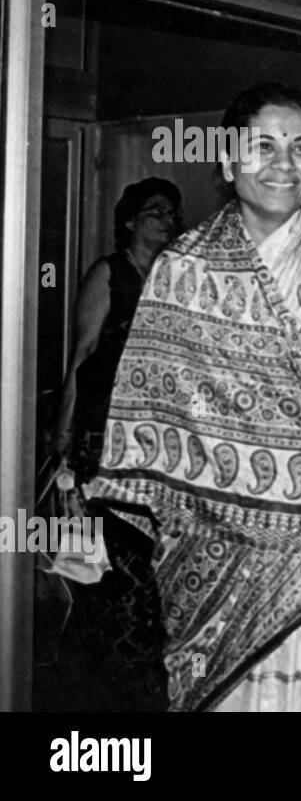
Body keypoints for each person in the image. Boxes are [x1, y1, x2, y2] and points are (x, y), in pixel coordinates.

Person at [87, 83, 301, 712]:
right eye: (263, 146)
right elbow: (150, 408)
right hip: (223, 552)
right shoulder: (182, 271)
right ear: (227, 163)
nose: (283, 163)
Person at [46, 177, 182, 711]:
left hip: (157, 441)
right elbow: (80, 353)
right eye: (154, 212)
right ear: (129, 220)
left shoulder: (176, 277)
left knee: (151, 560)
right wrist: (63, 432)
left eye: (172, 213)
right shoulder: (109, 273)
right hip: (101, 435)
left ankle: (140, 674)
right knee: (101, 559)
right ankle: (97, 683)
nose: (166, 221)